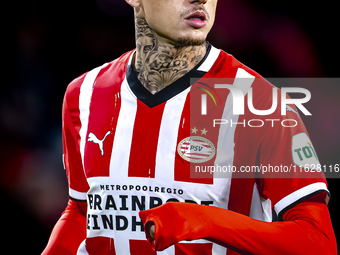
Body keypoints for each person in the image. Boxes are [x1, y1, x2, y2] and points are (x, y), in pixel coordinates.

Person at [42, 0, 337, 254]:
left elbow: (318, 242)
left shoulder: (255, 100)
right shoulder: (83, 94)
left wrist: (205, 219)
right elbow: (83, 210)